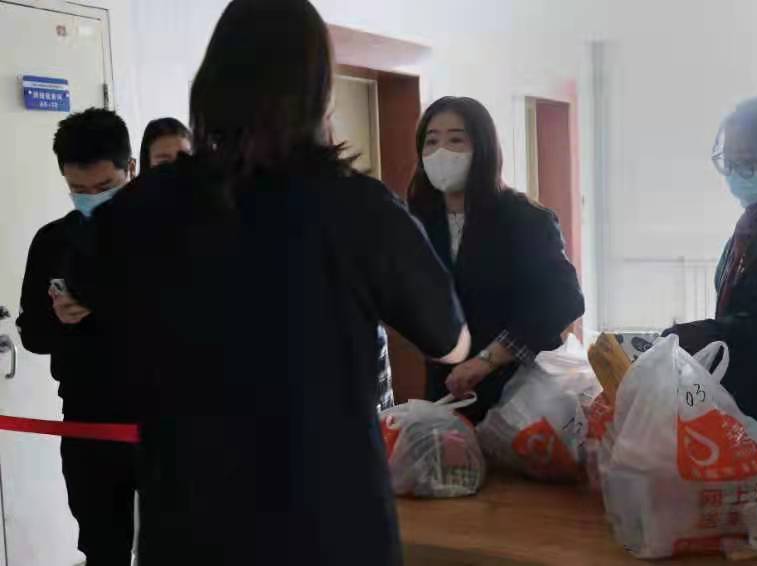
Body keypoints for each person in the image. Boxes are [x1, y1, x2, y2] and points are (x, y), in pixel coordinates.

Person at [65, 1, 470, 564]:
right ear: (319, 92)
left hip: (191, 529)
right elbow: (449, 341)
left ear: (212, 84)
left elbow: (79, 288)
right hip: (329, 528)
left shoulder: (146, 203)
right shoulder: (358, 206)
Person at [408, 96, 585, 421]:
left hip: (518, 396)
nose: (441, 151)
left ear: (483, 148)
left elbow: (563, 300)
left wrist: (488, 359)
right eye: (431, 141)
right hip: (447, 394)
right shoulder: (419, 221)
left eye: (456, 140)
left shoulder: (524, 218)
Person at [16, 108, 137, 566]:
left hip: (163, 419)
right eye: (79, 190)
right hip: (87, 422)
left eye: (105, 187)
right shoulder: (53, 242)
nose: (92, 199)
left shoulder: (167, 239)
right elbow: (32, 334)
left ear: (131, 169)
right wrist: (59, 320)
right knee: (102, 549)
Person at [664, 94, 757, 470]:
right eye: (730, 162)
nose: (737, 174)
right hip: (748, 406)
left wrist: (710, 335)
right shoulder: (749, 229)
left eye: (749, 161)